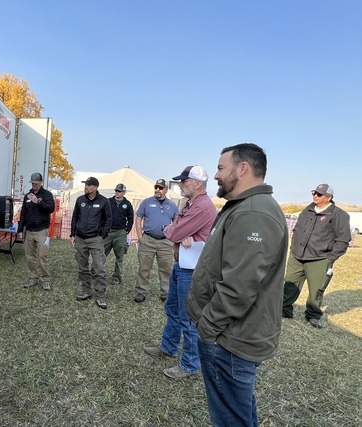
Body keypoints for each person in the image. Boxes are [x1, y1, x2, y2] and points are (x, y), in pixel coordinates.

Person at [186, 143, 288, 427]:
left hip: (228, 338)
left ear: (242, 169)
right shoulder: (244, 207)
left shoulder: (253, 212)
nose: (216, 176)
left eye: (220, 168)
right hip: (228, 334)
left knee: (231, 419)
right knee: (238, 412)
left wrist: (208, 327)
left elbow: (239, 286)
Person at [144, 166, 217, 380]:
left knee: (188, 317)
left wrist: (175, 231)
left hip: (192, 268)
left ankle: (190, 366)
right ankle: (169, 348)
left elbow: (173, 231)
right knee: (173, 308)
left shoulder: (202, 206)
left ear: (197, 183)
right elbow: (176, 227)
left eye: (184, 181)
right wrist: (177, 231)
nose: (181, 185)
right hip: (182, 264)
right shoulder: (193, 203)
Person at [282, 183, 351, 328]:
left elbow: (343, 240)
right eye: (314, 193)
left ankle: (313, 315)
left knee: (316, 290)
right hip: (297, 255)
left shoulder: (339, 215)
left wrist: (330, 258)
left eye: (319, 194)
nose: (315, 196)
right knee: (289, 283)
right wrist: (294, 247)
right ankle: (284, 310)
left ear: (329, 197)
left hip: (319, 258)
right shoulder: (306, 211)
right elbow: (297, 231)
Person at [132, 179, 178, 302]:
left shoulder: (172, 205)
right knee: (144, 267)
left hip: (165, 242)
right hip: (148, 240)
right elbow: (138, 218)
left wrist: (173, 239)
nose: (158, 189)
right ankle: (141, 291)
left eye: (161, 188)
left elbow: (177, 223)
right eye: (156, 187)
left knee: (166, 269)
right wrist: (140, 236)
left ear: (166, 190)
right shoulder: (146, 202)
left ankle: (165, 293)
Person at [70, 177, 112, 309]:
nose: (86, 187)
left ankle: (100, 296)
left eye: (88, 185)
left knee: (99, 268)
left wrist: (102, 235)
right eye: (85, 185)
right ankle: (86, 291)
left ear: (95, 187)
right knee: (82, 267)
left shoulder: (103, 201)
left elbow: (108, 219)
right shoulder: (80, 200)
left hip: (95, 239)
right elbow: (75, 217)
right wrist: (73, 234)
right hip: (80, 238)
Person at [18, 172, 56, 291]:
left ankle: (45, 280)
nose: (34, 185)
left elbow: (51, 209)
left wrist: (38, 202)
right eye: (33, 183)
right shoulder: (27, 196)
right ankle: (32, 278)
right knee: (30, 257)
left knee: (42, 256)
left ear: (41, 183)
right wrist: (20, 230)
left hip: (42, 231)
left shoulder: (47, 195)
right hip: (29, 230)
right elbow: (23, 213)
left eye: (36, 183)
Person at [104, 183, 135, 286]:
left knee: (119, 256)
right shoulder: (108, 201)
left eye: (119, 191)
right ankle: (96, 272)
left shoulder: (127, 204)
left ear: (124, 193)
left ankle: (116, 277)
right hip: (108, 232)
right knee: (101, 254)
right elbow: (102, 215)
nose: (117, 192)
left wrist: (127, 229)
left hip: (120, 233)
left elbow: (130, 218)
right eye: (116, 190)